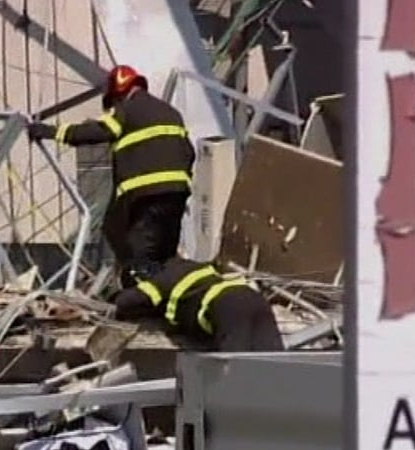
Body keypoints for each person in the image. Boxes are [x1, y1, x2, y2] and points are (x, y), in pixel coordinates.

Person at [27, 65, 195, 288]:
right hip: (176, 194)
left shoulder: (127, 109)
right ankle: (168, 294)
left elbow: (98, 131)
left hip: (145, 197)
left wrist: (50, 132)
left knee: (139, 254)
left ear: (118, 93)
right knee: (165, 253)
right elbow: (189, 152)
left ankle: (141, 302)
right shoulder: (171, 113)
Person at [109, 256, 284, 352]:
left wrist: (110, 303)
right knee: (276, 364)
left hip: (227, 306)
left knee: (235, 367)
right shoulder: (190, 266)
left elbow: (131, 300)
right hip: (253, 298)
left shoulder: (161, 280)